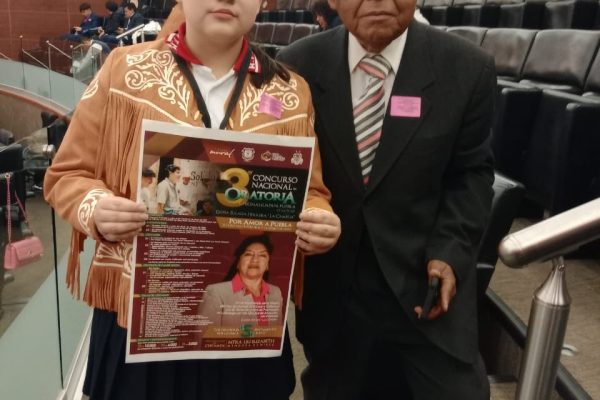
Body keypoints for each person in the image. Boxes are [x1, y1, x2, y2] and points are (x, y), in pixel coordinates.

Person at [43, 0, 341, 398]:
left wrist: (319, 219)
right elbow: (66, 175)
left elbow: (312, 192)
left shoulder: (289, 91)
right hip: (141, 319)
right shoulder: (124, 71)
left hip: (242, 325)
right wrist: (95, 208)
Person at [278, 0, 496, 399]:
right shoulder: (296, 66)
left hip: (424, 289)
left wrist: (450, 251)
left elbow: (471, 174)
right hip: (336, 293)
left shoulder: (468, 68)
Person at [200, 235, 283, 327]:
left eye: (262, 255)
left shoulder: (276, 292)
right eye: (248, 254)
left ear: (267, 265)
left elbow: (277, 332)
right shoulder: (215, 292)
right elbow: (206, 335)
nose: (255, 259)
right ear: (238, 263)